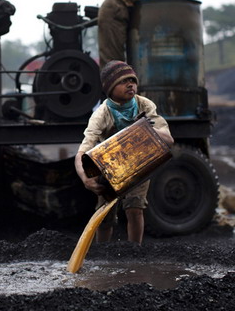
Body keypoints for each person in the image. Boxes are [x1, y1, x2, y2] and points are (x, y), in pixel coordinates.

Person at [74, 60, 174, 244]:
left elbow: (169, 140)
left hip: (140, 163)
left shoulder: (144, 105)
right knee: (104, 216)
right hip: (110, 168)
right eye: (123, 81)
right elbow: (82, 153)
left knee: (135, 208)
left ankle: (135, 252)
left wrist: (148, 128)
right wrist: (85, 178)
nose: (130, 84)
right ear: (110, 88)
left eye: (132, 80)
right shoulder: (101, 114)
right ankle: (103, 253)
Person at [98, 0, 169, 67]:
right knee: (112, 60)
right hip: (116, 5)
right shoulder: (165, 5)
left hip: (119, 4)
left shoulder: (162, 1)